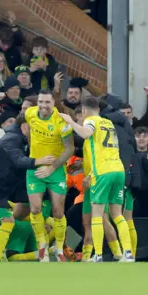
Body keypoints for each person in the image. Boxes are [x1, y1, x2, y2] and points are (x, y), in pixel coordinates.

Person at [0, 114, 55, 262]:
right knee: (7, 222)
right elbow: (19, 161)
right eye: (34, 126)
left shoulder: (22, 139)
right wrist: (40, 161)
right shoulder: (12, 139)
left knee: (5, 225)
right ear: (24, 126)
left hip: (3, 189)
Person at [59, 96, 134, 262]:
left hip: (102, 171)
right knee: (117, 215)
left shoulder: (90, 121)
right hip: (118, 170)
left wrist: (71, 122)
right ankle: (128, 253)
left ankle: (98, 255)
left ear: (84, 110)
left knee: (97, 215)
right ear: (99, 109)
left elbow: (86, 133)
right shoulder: (108, 123)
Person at [24, 89, 75, 262]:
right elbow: (31, 133)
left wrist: (52, 168)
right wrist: (35, 158)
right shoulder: (30, 114)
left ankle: (59, 248)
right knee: (35, 209)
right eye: (40, 102)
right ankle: (42, 246)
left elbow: (70, 148)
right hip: (36, 169)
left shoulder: (62, 121)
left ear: (54, 103)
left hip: (55, 170)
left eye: (47, 102)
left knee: (58, 212)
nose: (43, 106)